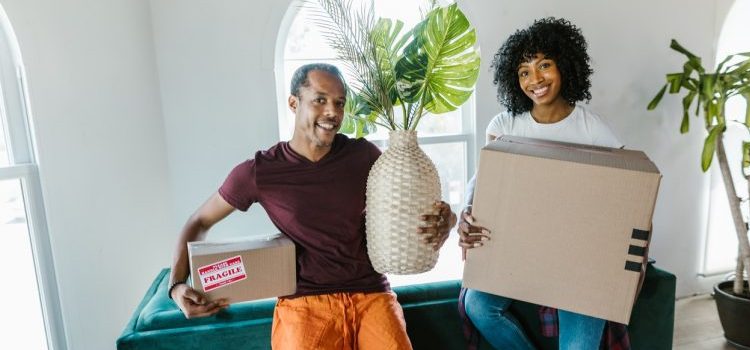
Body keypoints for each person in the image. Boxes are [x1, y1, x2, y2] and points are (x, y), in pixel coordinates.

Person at [167, 63, 457, 350]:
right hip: (304, 304)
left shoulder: (365, 157)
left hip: (372, 294)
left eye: (339, 103)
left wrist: (447, 221)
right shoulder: (260, 172)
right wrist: (177, 286)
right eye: (320, 100)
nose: (332, 112)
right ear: (294, 103)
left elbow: (408, 214)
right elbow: (199, 222)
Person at [457, 18, 629, 350]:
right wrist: (466, 211)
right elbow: (483, 181)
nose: (534, 79)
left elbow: (628, 192)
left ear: (565, 65)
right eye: (524, 71)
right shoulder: (505, 124)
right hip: (519, 250)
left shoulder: (593, 130)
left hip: (579, 261)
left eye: (544, 65)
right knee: (477, 305)